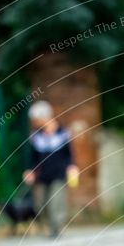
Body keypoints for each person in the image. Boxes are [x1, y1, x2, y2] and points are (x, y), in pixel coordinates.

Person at [23, 100, 79, 238]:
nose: (34, 122)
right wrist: (29, 170)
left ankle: (56, 230)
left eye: (36, 119)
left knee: (55, 202)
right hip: (42, 176)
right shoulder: (36, 136)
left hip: (59, 174)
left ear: (44, 117)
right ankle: (49, 227)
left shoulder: (63, 134)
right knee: (39, 205)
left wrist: (72, 167)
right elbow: (33, 157)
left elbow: (69, 155)